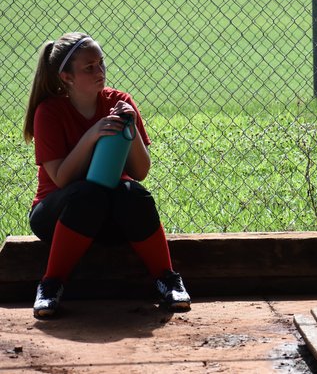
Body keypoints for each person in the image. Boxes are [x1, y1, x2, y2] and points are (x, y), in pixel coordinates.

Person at [23, 32, 191, 318]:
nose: (99, 71)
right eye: (89, 67)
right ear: (66, 77)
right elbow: (62, 178)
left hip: (108, 217)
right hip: (58, 215)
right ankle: (50, 286)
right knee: (87, 193)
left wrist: (132, 126)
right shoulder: (49, 111)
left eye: (101, 63)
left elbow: (141, 171)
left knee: (135, 194)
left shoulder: (119, 101)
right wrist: (92, 134)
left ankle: (168, 279)